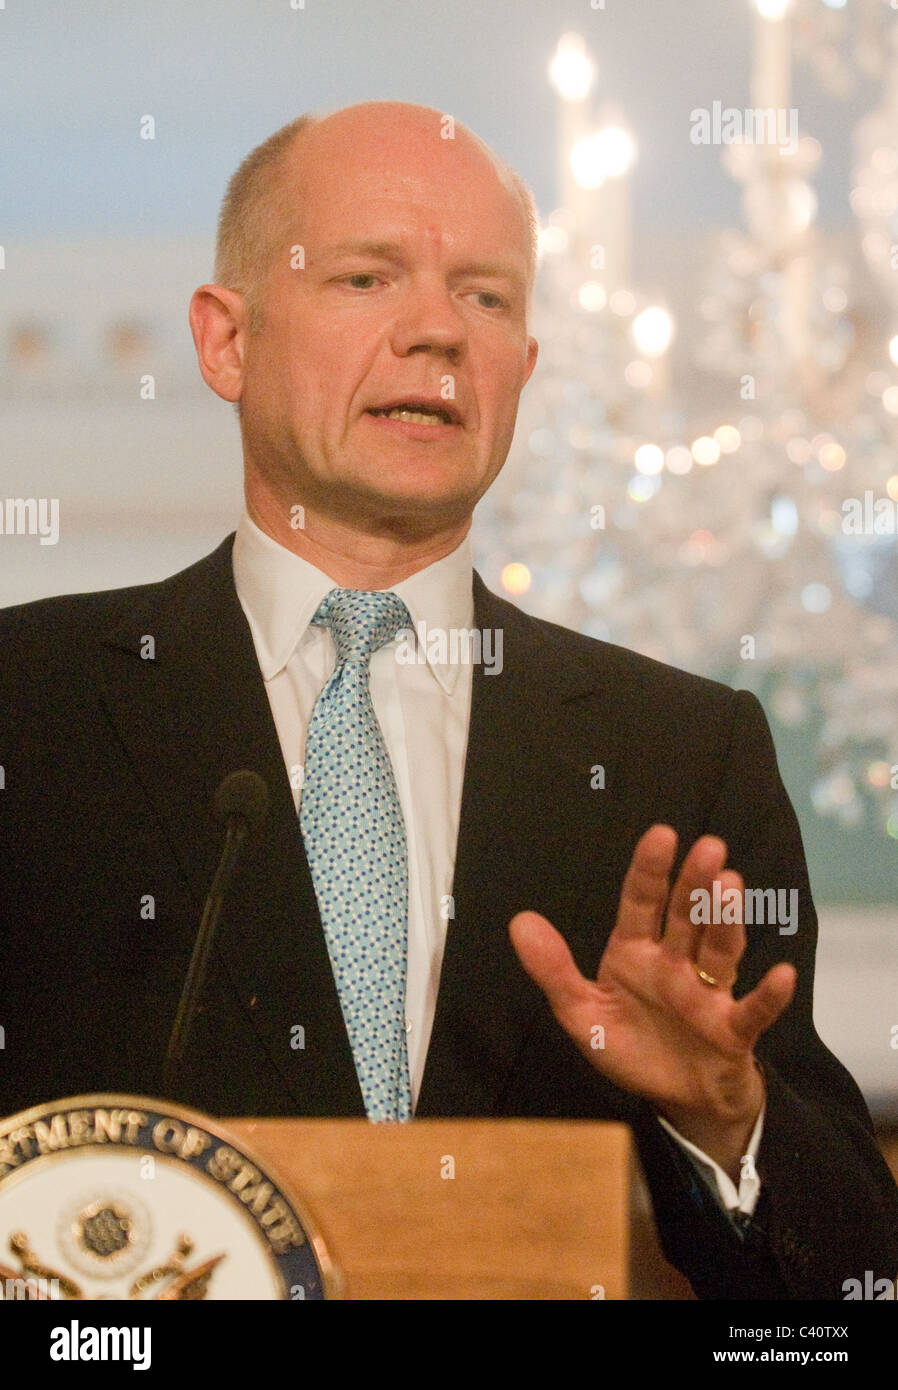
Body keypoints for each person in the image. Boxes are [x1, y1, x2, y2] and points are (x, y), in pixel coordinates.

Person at [1, 101, 896, 1301]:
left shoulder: (677, 752)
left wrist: (726, 1123)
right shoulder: (29, 704)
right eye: (367, 277)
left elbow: (853, 1292)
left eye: (486, 297)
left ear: (522, 368)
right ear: (226, 342)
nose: (437, 331)